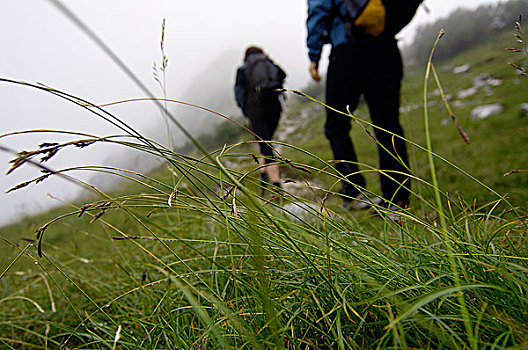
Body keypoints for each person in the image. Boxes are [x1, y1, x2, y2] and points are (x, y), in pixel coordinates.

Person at [306, 0, 414, 211]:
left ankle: (353, 191)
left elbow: (318, 11)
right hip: (386, 48)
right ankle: (397, 200)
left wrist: (313, 55)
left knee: (337, 125)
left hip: (348, 50)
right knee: (388, 124)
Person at [234, 46, 286, 194]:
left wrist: (246, 110)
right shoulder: (269, 63)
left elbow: (239, 93)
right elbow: (282, 75)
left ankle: (275, 184)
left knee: (265, 145)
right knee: (266, 142)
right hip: (274, 107)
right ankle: (263, 175)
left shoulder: (243, 69)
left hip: (256, 110)